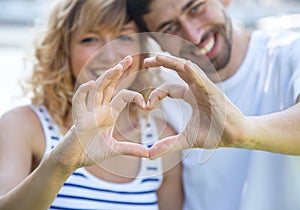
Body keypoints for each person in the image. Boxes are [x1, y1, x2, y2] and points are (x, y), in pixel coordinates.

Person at [0, 0, 183, 209]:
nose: (109, 54)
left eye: (123, 37)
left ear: (143, 53)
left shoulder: (163, 141)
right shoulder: (24, 126)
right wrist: (60, 165)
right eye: (89, 39)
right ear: (63, 52)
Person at [126, 0, 300, 210]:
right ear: (157, 41)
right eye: (170, 28)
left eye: (195, 8)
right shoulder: (156, 90)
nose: (194, 36)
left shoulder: (290, 52)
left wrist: (244, 131)